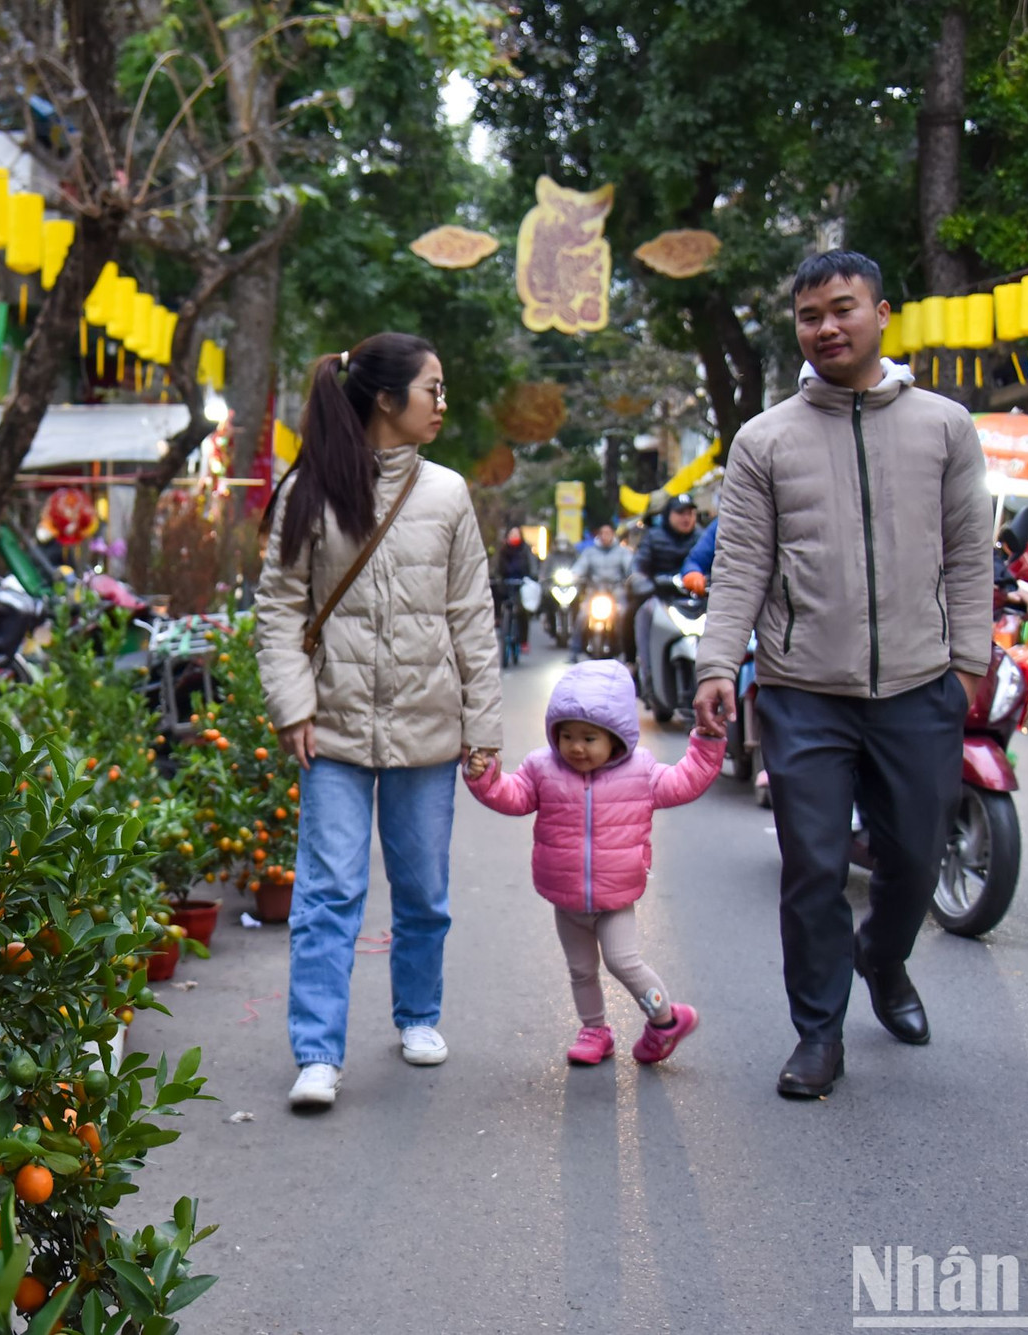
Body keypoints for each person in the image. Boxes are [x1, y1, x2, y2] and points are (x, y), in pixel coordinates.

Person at [693, 250, 991, 1100]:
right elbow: (742, 561)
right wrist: (720, 661)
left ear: (882, 313)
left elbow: (971, 553)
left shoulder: (944, 426)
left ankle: (883, 959)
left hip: (919, 682)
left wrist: (968, 658)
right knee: (813, 867)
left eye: (842, 309)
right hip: (801, 688)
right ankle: (818, 1033)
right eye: (809, 315)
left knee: (917, 854)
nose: (826, 327)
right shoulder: (765, 439)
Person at [255, 333, 504, 1112]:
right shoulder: (312, 490)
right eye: (433, 388)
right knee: (328, 891)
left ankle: (418, 1014)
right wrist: (292, 703)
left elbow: (471, 614)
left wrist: (483, 722)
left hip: (429, 726)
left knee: (423, 888)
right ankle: (318, 1052)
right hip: (333, 727)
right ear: (387, 399)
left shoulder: (448, 493)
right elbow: (279, 607)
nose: (442, 402)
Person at [464, 661, 724, 1064]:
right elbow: (512, 796)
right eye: (566, 736)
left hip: (616, 896)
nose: (576, 747)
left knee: (622, 959)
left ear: (616, 737)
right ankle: (594, 1029)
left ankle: (665, 1020)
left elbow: (683, 782)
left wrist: (705, 747)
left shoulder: (641, 771)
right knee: (581, 969)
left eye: (589, 737)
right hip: (565, 896)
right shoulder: (541, 767)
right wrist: (486, 778)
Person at [632, 496, 704, 693]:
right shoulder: (653, 537)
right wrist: (644, 583)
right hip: (661, 600)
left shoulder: (702, 538)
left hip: (696, 602)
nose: (686, 518)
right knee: (635, 613)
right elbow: (637, 569)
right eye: (680, 513)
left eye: (690, 513)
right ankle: (642, 671)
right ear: (668, 515)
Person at [567, 523, 634, 662]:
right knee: (582, 616)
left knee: (623, 615)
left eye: (608, 533)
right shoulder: (589, 552)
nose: (605, 536)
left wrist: (633, 577)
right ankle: (574, 651)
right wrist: (573, 576)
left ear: (613, 534)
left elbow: (630, 567)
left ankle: (626, 652)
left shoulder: (622, 552)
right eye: (602, 533)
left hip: (616, 591)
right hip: (594, 591)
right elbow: (580, 567)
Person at [497, 527, 539, 650]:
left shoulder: (526, 549)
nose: (514, 536)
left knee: (522, 612)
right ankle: (499, 620)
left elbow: (532, 565)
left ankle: (523, 641)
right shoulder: (503, 550)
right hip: (506, 583)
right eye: (512, 534)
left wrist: (532, 576)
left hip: (522, 583)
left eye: (516, 534)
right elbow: (497, 567)